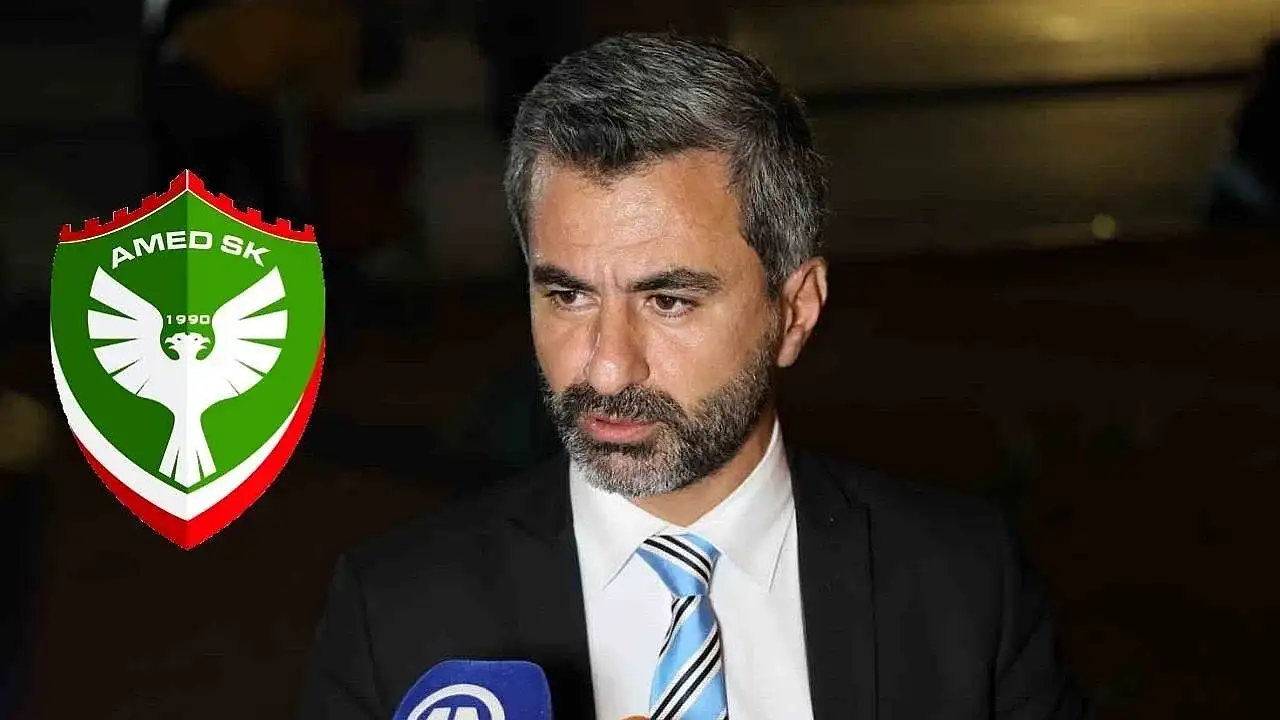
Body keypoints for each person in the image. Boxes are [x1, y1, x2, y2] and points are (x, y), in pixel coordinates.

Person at [298, 34, 1091, 719]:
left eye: (669, 301)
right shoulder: (395, 612)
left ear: (795, 312)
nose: (608, 364)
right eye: (568, 295)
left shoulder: (965, 583)